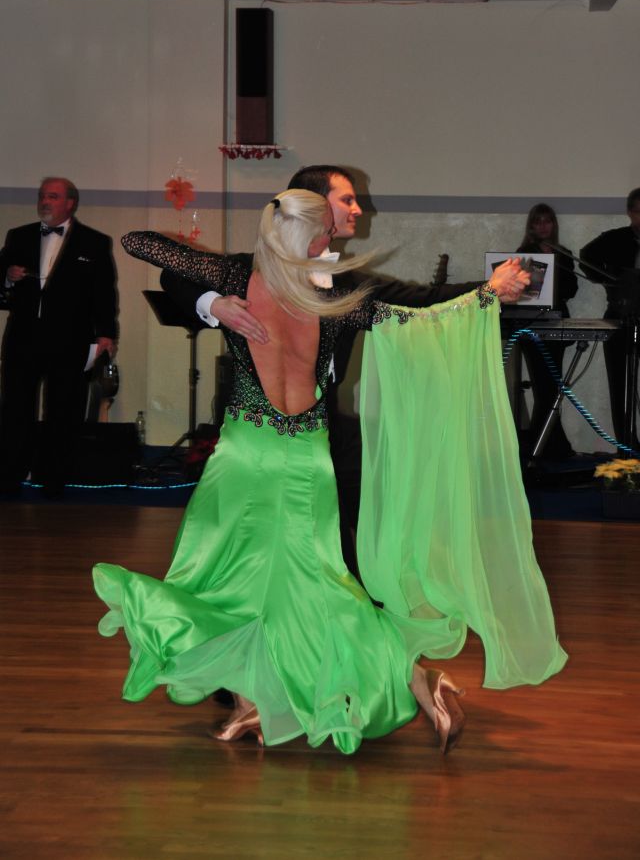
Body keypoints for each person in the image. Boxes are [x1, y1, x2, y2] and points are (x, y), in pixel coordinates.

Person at [93, 190, 566, 757]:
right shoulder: (341, 298)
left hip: (246, 457)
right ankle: (370, 687)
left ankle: (285, 697)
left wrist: (219, 302)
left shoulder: (238, 276)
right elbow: (426, 318)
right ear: (318, 236)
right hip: (308, 462)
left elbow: (137, 241)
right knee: (314, 587)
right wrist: (487, 293)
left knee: (221, 581)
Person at [161, 165, 481, 572]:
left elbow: (421, 298)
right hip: (259, 429)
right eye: (347, 200)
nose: (357, 209)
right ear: (312, 207)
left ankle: (362, 587)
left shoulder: (346, 285)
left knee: (360, 504)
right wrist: (214, 304)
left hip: (323, 420)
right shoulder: (246, 271)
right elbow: (173, 274)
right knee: (269, 534)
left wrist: (488, 290)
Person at [0, 177, 118, 498]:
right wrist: (8, 278)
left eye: (52, 196)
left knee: (63, 409)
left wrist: (107, 334)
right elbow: (0, 278)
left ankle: (53, 478)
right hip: (23, 338)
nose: (44, 201)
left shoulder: (94, 242)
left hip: (70, 340)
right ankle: (11, 474)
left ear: (70, 203)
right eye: (42, 196)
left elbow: (104, 293)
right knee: (16, 407)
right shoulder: (19, 236)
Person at [516, 203, 578, 459]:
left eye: (547, 221)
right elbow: (524, 292)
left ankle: (546, 447)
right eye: (538, 221)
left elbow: (571, 289)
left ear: (554, 225)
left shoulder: (564, 254)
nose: (543, 226)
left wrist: (554, 278)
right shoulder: (524, 254)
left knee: (553, 388)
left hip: (556, 324)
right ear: (531, 226)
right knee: (544, 389)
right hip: (532, 326)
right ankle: (547, 448)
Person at [580, 187, 640, 450]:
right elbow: (585, 256)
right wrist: (607, 280)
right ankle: (627, 445)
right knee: (620, 385)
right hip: (620, 316)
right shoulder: (615, 239)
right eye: (639, 212)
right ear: (629, 213)